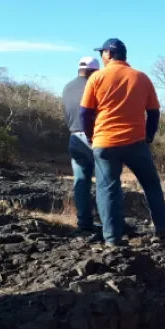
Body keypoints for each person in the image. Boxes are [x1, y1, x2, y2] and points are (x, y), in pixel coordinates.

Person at [80, 38, 165, 246]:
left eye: (102, 53)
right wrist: (149, 136)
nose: (101, 57)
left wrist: (91, 136)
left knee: (108, 188)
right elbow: (153, 112)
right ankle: (163, 229)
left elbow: (85, 113)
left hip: (105, 142)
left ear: (108, 53)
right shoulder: (141, 78)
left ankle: (112, 239)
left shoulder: (97, 78)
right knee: (151, 184)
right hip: (136, 142)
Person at [62, 56, 101, 235]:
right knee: (105, 182)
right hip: (96, 137)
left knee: (81, 182)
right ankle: (109, 223)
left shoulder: (67, 87)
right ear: (93, 71)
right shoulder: (95, 86)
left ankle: (84, 224)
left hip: (74, 137)